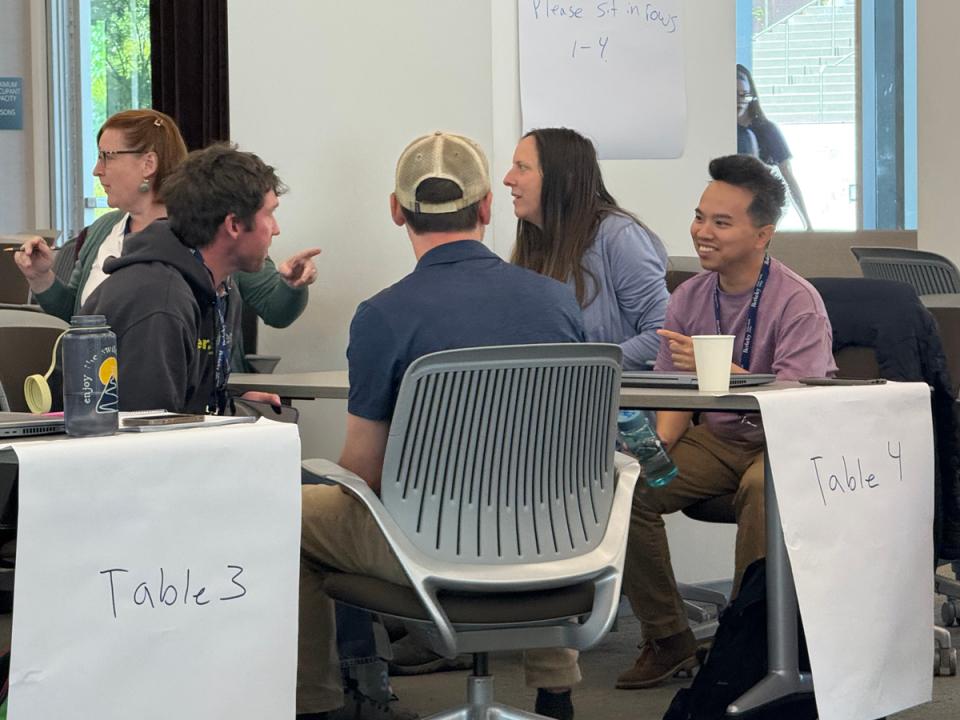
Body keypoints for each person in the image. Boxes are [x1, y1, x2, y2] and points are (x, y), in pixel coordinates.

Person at [297, 131, 587, 720]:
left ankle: (314, 706)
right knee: (531, 494)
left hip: (432, 544)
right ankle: (556, 692)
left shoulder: (383, 315)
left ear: (396, 209)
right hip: (547, 537)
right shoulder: (557, 302)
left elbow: (365, 469)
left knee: (285, 516)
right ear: (486, 207)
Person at [616, 155, 836, 689]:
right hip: (717, 439)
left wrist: (728, 374)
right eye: (699, 217)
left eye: (721, 222)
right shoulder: (689, 296)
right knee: (624, 489)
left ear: (762, 234)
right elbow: (673, 395)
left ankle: (747, 640)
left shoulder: (798, 302)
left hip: (785, 442)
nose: (702, 232)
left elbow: (798, 402)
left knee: (764, 490)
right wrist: (654, 452)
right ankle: (670, 638)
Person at [12, 109, 320, 369]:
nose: (96, 170)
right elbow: (79, 321)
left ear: (148, 164)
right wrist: (42, 279)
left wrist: (292, 285)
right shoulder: (102, 231)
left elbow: (276, 309)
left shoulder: (205, 226)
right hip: (104, 391)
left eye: (107, 157)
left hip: (194, 398)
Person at [79, 143, 286, 413]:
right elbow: (145, 430)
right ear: (234, 225)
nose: (276, 229)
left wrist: (231, 405)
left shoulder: (218, 287)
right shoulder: (159, 301)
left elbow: (185, 403)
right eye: (269, 214)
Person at [505, 128, 669, 370]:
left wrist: (587, 369)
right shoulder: (532, 243)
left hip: (612, 400)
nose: (508, 178)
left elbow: (664, 334)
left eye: (522, 167)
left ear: (561, 177)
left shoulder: (617, 235)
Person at [736, 64, 814, 231]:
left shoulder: (766, 130)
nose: (739, 101)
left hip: (763, 211)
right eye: (733, 95)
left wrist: (807, 223)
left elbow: (787, 175)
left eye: (744, 95)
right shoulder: (722, 129)